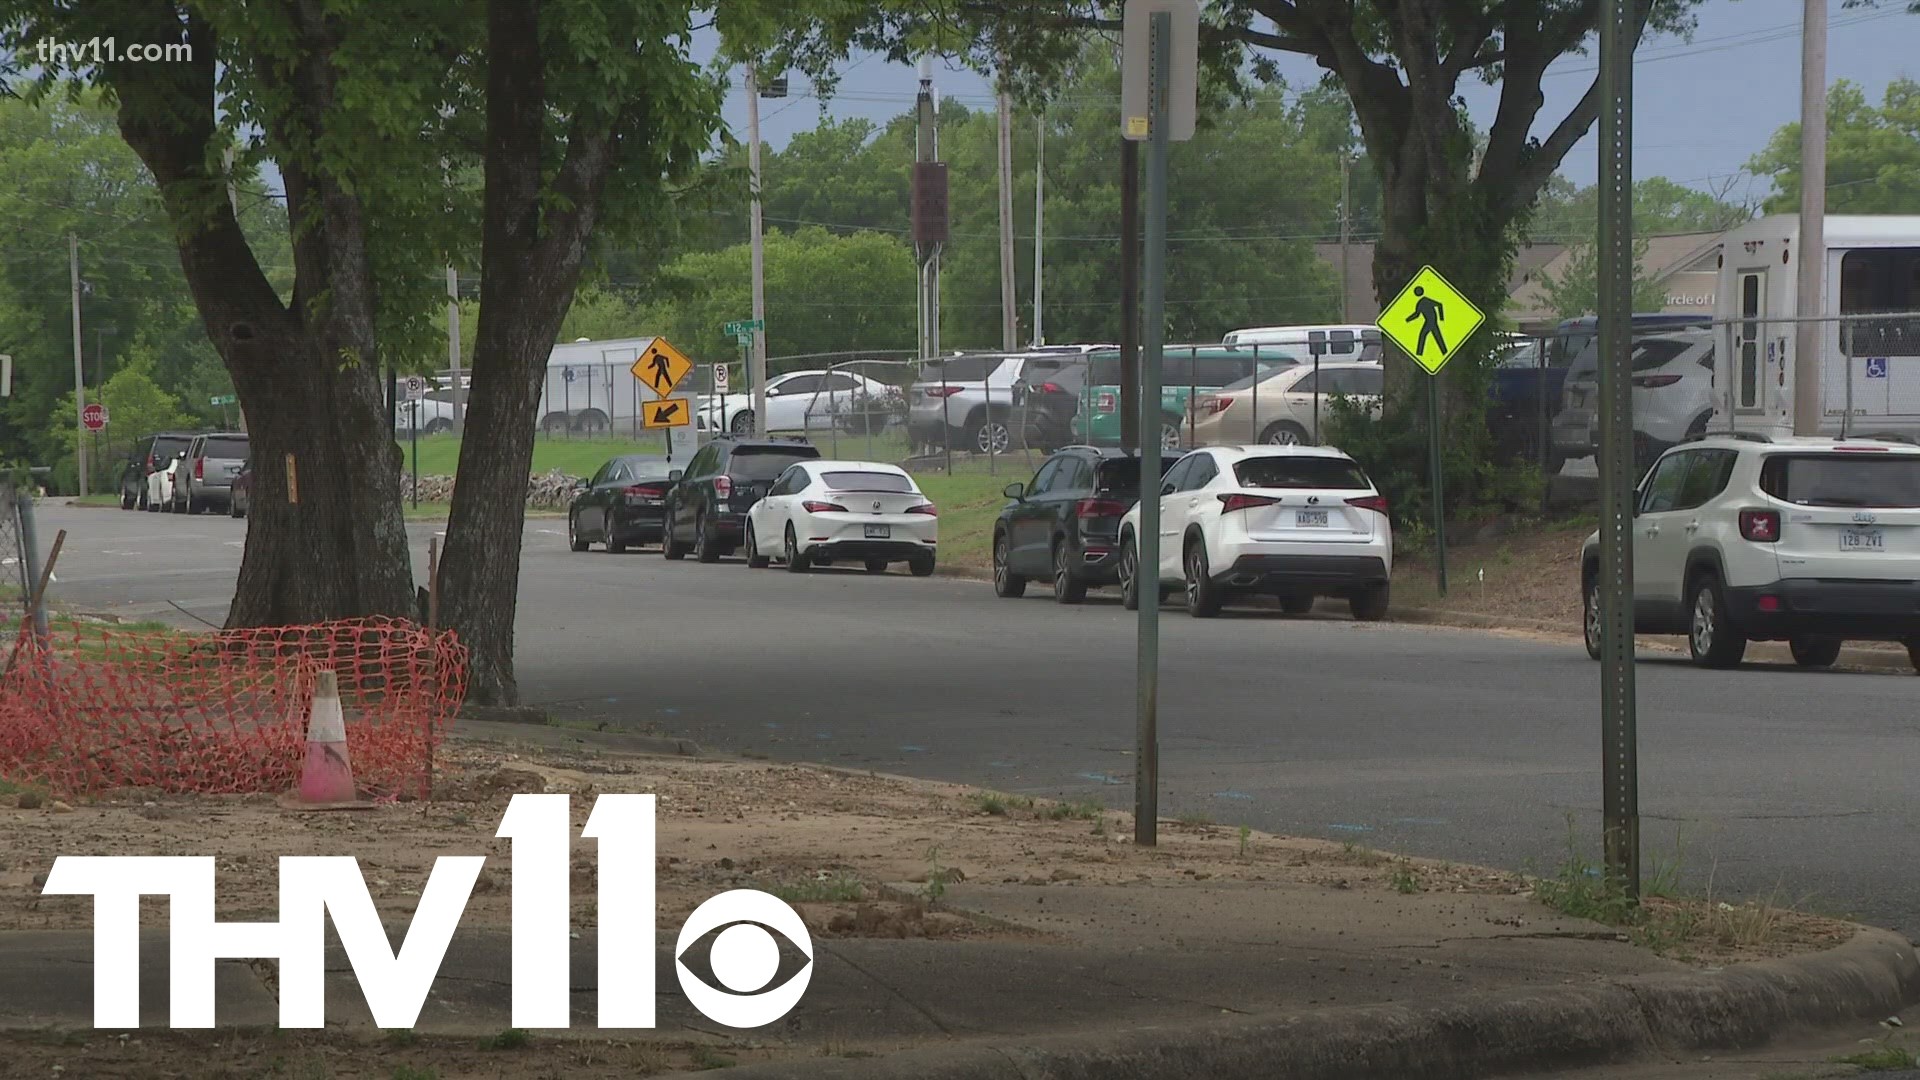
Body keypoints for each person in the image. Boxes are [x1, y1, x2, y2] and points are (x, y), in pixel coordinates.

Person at [1407, 286, 1447, 358]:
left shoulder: (1425, 300)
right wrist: (1407, 320)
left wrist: (1442, 318)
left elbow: (1439, 305)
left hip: (1431, 321)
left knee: (1424, 335)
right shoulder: (1420, 303)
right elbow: (1417, 314)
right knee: (1435, 336)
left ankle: (1420, 353)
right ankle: (1443, 351)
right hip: (1429, 321)